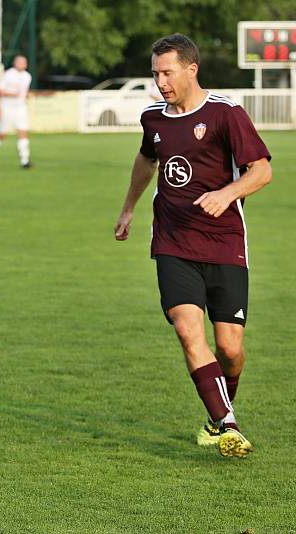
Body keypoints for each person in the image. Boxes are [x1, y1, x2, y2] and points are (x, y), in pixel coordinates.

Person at [114, 34, 272, 458]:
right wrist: (128, 208)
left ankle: (219, 409)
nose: (160, 81)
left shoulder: (225, 114)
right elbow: (147, 160)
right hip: (173, 240)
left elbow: (262, 171)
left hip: (224, 244)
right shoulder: (154, 119)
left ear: (191, 69)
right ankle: (228, 423)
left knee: (231, 348)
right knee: (187, 329)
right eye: (155, 73)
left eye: (167, 72)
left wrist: (228, 193)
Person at [0, 55, 32, 168]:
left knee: (23, 132)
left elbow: (25, 91)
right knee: (2, 134)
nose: (22, 64)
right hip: (7, 107)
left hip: (21, 108)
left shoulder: (27, 76)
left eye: (23, 62)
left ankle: (24, 160)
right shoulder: (8, 74)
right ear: (15, 63)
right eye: (19, 62)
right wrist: (12, 94)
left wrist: (27, 95)